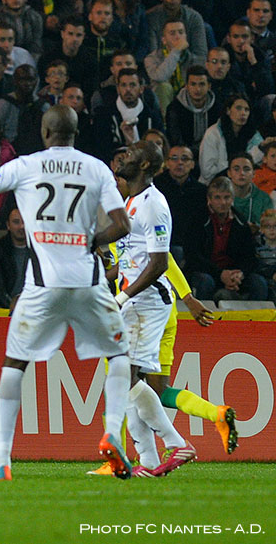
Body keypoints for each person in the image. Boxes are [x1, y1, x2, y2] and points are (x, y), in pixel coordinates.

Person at [0, 105, 135, 481]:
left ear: (45, 132)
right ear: (75, 133)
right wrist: (91, 241)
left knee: (15, 365)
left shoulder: (25, 166)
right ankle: (112, 431)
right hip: (89, 281)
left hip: (43, 284)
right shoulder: (96, 168)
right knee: (119, 355)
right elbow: (122, 224)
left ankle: (1, 461)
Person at [111, 141, 198, 476]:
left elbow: (159, 263)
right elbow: (130, 260)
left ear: (145, 164)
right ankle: (147, 461)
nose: (124, 158)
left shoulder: (153, 205)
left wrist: (123, 297)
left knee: (126, 377)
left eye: (131, 154)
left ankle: (177, 443)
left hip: (147, 302)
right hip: (135, 299)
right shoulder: (131, 202)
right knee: (125, 380)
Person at [185, 176, 267, 301]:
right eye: (217, 197)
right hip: (206, 271)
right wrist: (220, 274)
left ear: (232, 199)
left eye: (227, 197)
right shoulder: (197, 219)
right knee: (205, 281)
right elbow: (192, 256)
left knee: (259, 283)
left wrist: (239, 274)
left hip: (232, 273)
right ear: (209, 199)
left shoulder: (240, 222)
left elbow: (250, 257)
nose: (223, 202)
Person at [155, 145, 208, 262]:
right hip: (163, 242)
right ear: (167, 163)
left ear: (192, 164)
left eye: (185, 159)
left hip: (192, 244)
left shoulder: (201, 190)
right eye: (174, 158)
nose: (179, 163)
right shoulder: (156, 186)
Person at [0, 208, 28, 308]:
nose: (21, 226)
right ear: (8, 225)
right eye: (16, 222)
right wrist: (11, 307)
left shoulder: (40, 250)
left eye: (25, 222)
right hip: (4, 308)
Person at [229, 152, 274, 228]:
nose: (242, 173)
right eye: (236, 169)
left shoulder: (264, 199)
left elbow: (270, 228)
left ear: (253, 173)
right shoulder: (220, 196)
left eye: (246, 169)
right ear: (229, 173)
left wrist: (258, 229)